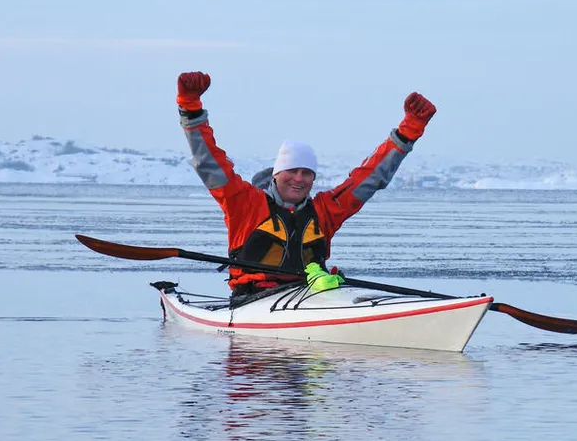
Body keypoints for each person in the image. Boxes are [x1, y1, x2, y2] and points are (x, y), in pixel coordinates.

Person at [176, 71, 436, 296]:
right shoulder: (245, 204)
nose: (299, 179)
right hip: (253, 300)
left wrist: (408, 131)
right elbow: (210, 164)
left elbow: (369, 179)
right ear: (276, 174)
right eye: (292, 171)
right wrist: (191, 108)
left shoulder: (325, 211)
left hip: (310, 295)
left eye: (307, 173)